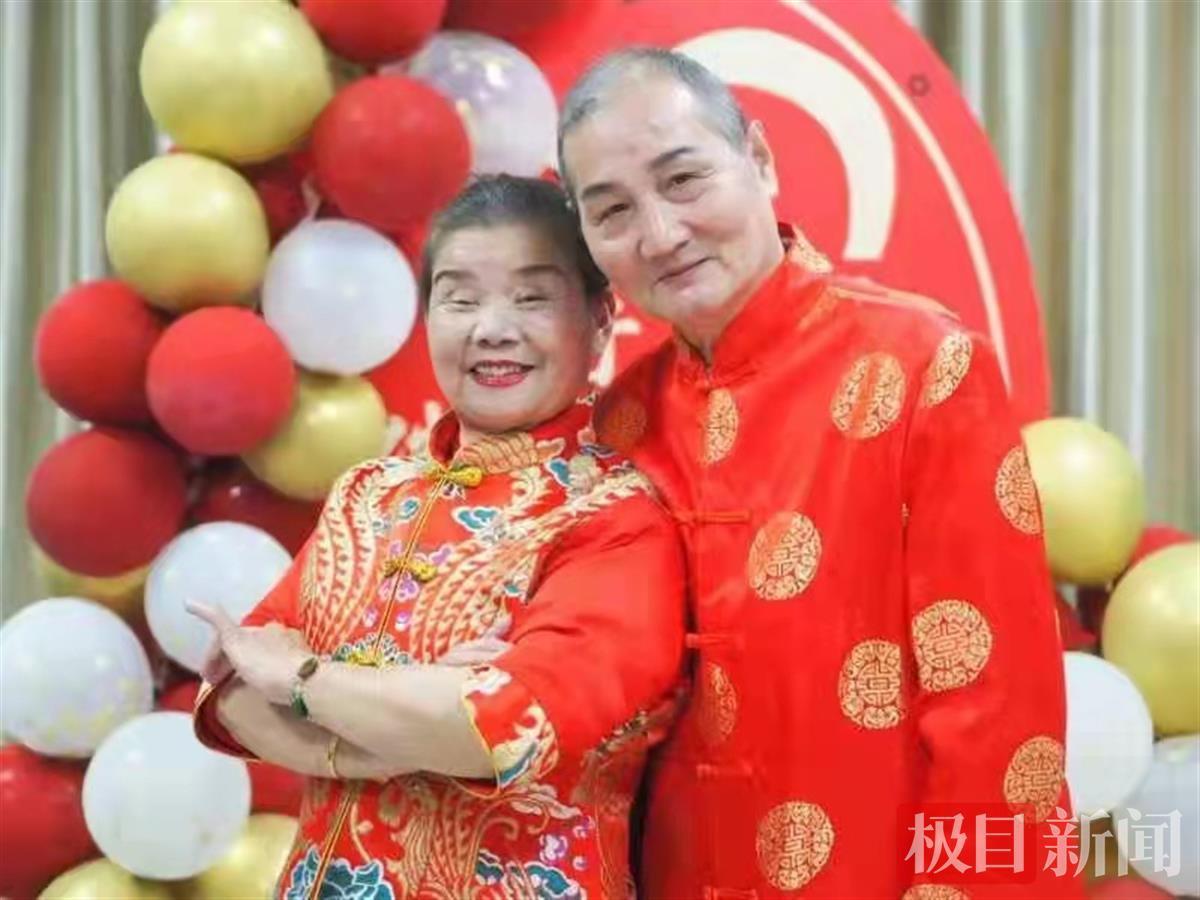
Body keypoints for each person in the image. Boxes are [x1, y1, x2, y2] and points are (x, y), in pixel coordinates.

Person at [557, 48, 1080, 898]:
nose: (659, 234)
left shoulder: (924, 363)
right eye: (612, 210)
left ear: (759, 160)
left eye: (683, 180)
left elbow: (1000, 720)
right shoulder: (620, 422)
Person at [191, 175, 686, 899]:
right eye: (459, 298)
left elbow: (499, 727)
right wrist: (388, 731)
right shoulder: (369, 493)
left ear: (600, 319)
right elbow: (231, 692)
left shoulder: (617, 519)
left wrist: (303, 681)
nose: (492, 329)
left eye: (531, 298)